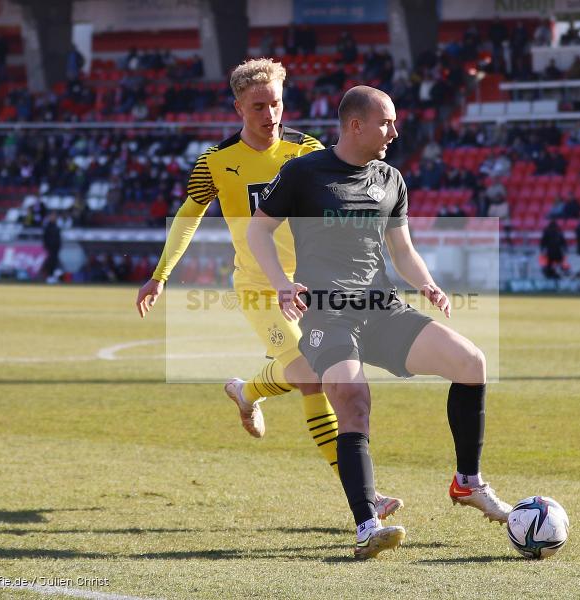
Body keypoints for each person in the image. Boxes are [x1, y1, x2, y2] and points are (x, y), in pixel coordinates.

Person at [248, 86, 511, 559]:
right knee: (353, 399)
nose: (394, 130)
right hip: (326, 312)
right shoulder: (304, 172)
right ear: (355, 125)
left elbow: (402, 248)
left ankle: (467, 482)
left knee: (471, 362)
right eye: (386, 122)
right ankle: (367, 523)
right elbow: (258, 229)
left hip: (382, 309)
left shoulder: (391, 178)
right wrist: (281, 282)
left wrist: (427, 284)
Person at [134, 59, 403, 519]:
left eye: (276, 103)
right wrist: (160, 274)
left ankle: (248, 392)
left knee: (323, 380)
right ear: (238, 106)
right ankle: (366, 498)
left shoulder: (309, 150)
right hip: (262, 288)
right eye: (258, 106)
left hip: (317, 287)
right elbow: (188, 216)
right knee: (313, 380)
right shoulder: (216, 163)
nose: (270, 114)